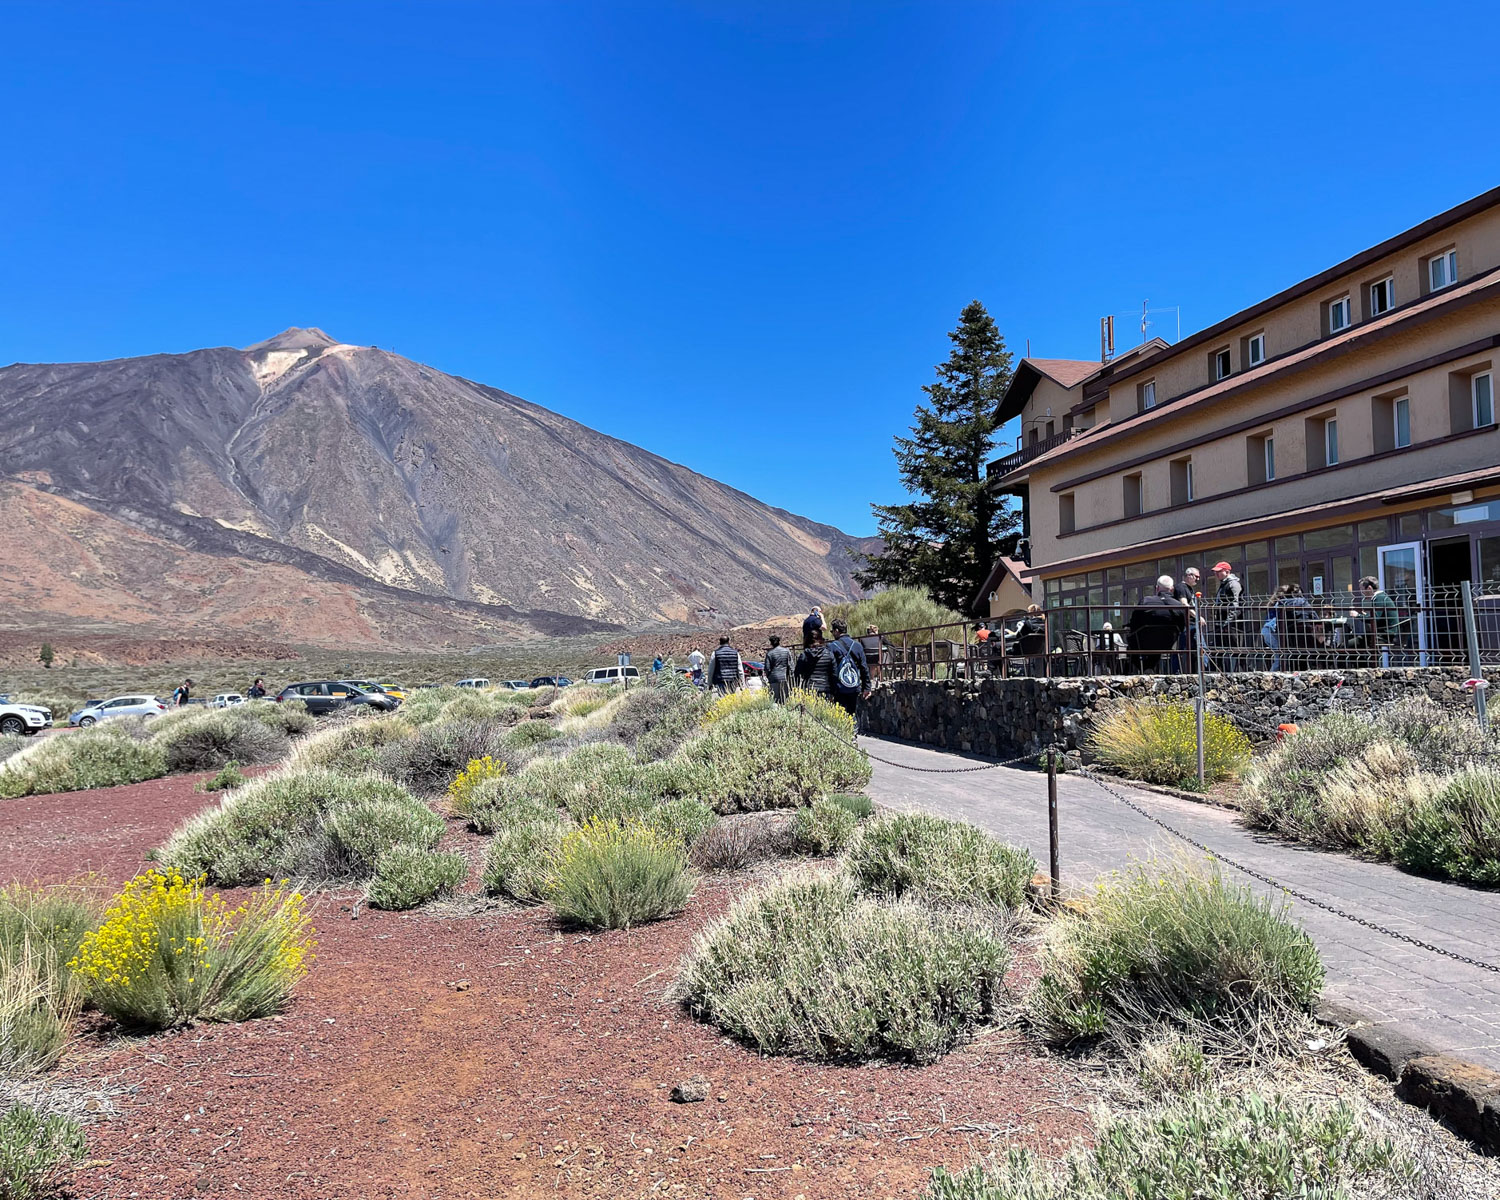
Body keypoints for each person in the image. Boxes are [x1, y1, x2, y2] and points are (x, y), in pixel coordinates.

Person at [1124, 577, 1187, 674]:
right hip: (1168, 644)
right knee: (1158, 644)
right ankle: (1148, 668)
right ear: (1172, 589)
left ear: (1157, 588)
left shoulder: (1146, 601)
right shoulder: (1178, 605)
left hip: (1144, 642)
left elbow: (1134, 622)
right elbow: (1182, 626)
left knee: (1132, 644)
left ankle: (1144, 669)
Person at [824, 618, 871, 720]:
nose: (832, 633)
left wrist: (828, 688)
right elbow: (864, 667)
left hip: (838, 686)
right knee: (851, 711)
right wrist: (866, 687)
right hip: (853, 686)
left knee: (838, 714)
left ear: (837, 631)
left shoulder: (831, 647)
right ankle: (852, 731)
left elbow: (828, 668)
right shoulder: (857, 646)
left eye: (832, 631)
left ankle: (843, 733)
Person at [1353, 575, 1402, 661]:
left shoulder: (1379, 598)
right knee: (1357, 645)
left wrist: (1357, 615)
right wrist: (1365, 615)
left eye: (1362, 589)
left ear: (1369, 589)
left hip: (1384, 636)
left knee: (1348, 645)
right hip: (1384, 633)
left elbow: (1375, 618)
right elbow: (1377, 617)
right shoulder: (1380, 597)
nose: (1361, 592)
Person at [1209, 561, 1244, 671]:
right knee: (1219, 650)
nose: (1216, 574)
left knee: (1233, 650)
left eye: (1219, 572)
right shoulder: (1224, 584)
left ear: (1227, 571)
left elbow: (1235, 605)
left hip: (1232, 625)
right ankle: (1220, 671)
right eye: (1216, 572)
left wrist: (1227, 623)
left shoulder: (1233, 584)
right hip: (1222, 624)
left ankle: (1237, 672)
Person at [1171, 567, 1204, 673]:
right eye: (1196, 577)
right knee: (1184, 649)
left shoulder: (1189, 588)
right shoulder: (1181, 587)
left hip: (1191, 623)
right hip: (1186, 624)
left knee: (1197, 649)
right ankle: (1179, 672)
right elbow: (1184, 604)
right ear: (1189, 575)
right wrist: (1197, 616)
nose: (1198, 579)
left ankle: (1198, 671)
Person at [764, 635, 794, 703]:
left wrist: (768, 676)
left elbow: (767, 668)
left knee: (775, 700)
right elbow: (791, 665)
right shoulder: (786, 651)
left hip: (774, 678)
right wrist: (791, 677)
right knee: (785, 699)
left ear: (771, 643)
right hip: (784, 678)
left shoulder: (770, 653)